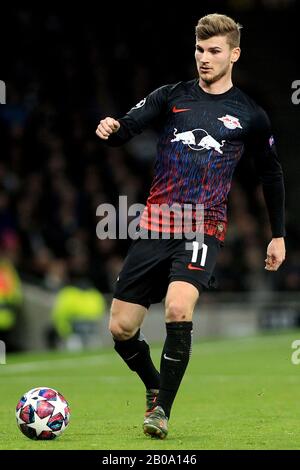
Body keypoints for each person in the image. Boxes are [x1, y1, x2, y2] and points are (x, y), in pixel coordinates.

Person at [95, 13, 286, 439]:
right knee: (121, 328)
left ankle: (160, 412)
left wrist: (278, 234)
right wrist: (112, 127)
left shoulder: (250, 115)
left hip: (204, 225)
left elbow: (271, 174)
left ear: (233, 54)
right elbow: (127, 128)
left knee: (179, 307)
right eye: (199, 49)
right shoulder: (171, 96)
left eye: (214, 51)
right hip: (157, 223)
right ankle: (154, 385)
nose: (204, 58)